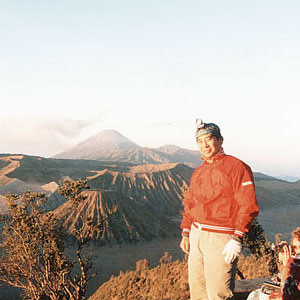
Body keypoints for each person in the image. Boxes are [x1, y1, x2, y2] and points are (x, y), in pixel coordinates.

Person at [180, 118, 259, 300]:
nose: (204, 144)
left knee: (218, 294)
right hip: (196, 235)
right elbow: (190, 203)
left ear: (220, 140)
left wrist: (237, 237)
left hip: (220, 238)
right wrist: (186, 232)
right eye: (200, 141)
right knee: (198, 293)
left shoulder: (236, 167)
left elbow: (248, 204)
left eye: (208, 139)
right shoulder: (199, 171)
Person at [247, 227, 300, 300]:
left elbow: (286, 291)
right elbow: (281, 274)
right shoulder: (295, 263)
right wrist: (281, 260)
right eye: (294, 248)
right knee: (254, 294)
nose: (296, 253)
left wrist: (286, 266)